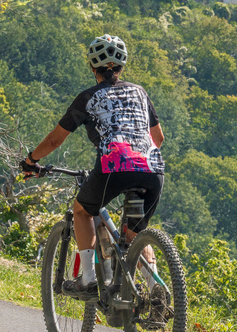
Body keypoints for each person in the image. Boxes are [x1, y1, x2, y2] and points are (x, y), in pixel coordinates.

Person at [20, 34, 164, 298]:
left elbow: (54, 140)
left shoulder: (88, 98)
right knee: (134, 234)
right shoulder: (140, 92)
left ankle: (88, 280)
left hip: (115, 166)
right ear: (122, 66)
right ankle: (156, 288)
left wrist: (31, 161)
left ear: (92, 66)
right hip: (153, 170)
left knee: (83, 211)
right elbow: (158, 139)